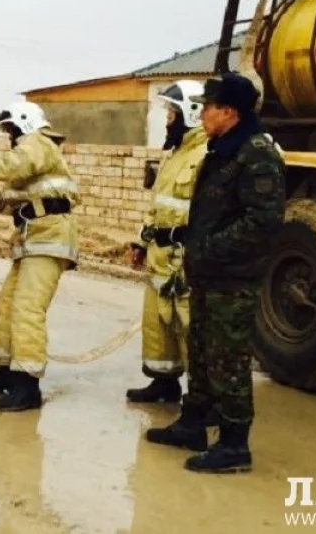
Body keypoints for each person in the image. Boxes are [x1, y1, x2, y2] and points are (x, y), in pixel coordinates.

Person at [144, 72, 285, 474]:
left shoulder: (256, 153)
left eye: (208, 107)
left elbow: (263, 220)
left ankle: (234, 444)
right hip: (207, 272)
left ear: (230, 112)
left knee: (229, 359)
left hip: (232, 276)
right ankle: (193, 423)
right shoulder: (223, 148)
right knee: (203, 352)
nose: (202, 113)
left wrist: (209, 247)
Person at [0, 101, 80, 412]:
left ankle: (28, 386)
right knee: (8, 306)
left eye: (11, 129)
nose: (9, 136)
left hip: (50, 239)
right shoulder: (33, 157)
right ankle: (6, 372)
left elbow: (14, 164)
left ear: (25, 123)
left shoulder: (38, 144)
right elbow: (16, 201)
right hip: (31, 240)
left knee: (27, 309)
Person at [126, 80, 208, 405]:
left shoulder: (205, 154)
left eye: (171, 112)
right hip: (159, 254)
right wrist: (140, 242)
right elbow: (158, 206)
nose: (167, 119)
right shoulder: (174, 155)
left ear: (190, 112)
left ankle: (202, 400)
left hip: (183, 257)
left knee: (189, 328)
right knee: (158, 325)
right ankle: (164, 383)